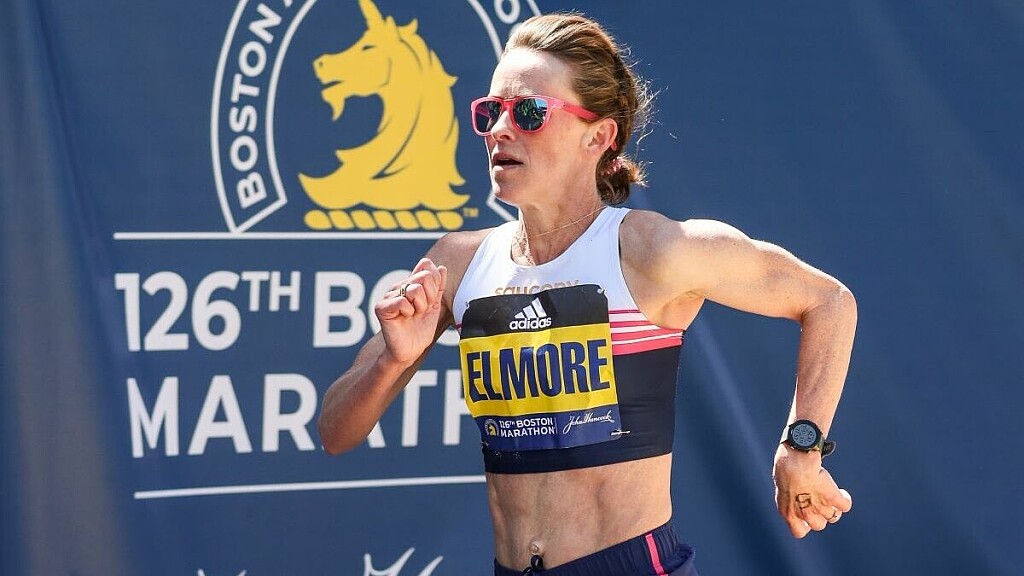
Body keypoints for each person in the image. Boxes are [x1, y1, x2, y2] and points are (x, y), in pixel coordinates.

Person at [318, 12, 856, 576]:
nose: (500, 129)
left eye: (529, 112)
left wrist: (801, 447)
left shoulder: (654, 250)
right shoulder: (459, 262)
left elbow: (829, 302)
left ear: (598, 137)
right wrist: (392, 360)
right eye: (491, 111)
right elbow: (335, 433)